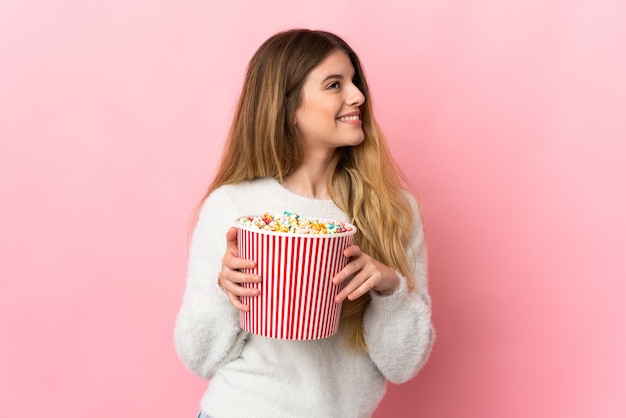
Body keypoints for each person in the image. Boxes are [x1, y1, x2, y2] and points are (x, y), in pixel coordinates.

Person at [174, 28, 435, 418]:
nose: (358, 96)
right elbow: (199, 359)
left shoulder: (393, 210)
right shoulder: (233, 206)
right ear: (289, 107)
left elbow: (403, 365)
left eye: (354, 82)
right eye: (334, 84)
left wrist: (389, 289)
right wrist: (224, 291)